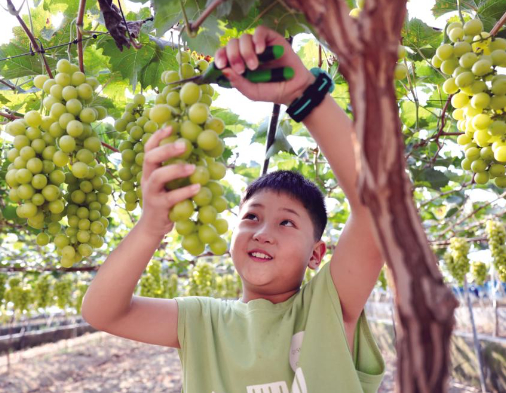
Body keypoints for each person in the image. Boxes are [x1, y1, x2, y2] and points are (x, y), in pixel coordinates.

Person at [81, 25, 386, 393]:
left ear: (316, 255)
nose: (262, 232)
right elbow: (102, 312)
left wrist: (302, 92)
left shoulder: (329, 307)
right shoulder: (202, 321)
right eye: (251, 217)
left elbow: (379, 205)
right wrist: (150, 227)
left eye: (287, 223)